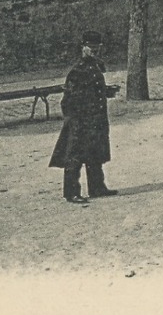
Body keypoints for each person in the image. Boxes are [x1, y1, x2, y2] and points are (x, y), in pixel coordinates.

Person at [48, 30, 118, 203]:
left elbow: (91, 90)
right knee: (75, 155)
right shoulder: (78, 70)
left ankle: (97, 187)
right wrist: (75, 120)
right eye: (90, 47)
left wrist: (106, 91)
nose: (94, 50)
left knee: (95, 153)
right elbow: (68, 99)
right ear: (83, 47)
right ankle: (71, 192)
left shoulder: (94, 67)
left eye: (97, 47)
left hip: (95, 118)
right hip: (80, 119)